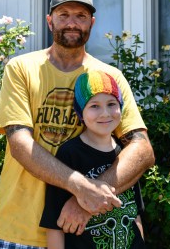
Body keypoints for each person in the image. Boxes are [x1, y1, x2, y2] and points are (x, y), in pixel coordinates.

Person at [0, 0, 154, 248]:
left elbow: (142, 149)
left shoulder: (110, 77)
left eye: (81, 16)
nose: (72, 23)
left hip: (85, 235)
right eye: (63, 14)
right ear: (49, 20)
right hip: (18, 230)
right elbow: (20, 144)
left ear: (92, 22)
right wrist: (81, 188)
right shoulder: (21, 69)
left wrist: (87, 200)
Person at [40, 70, 146, 248]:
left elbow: (135, 213)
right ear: (80, 113)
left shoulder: (127, 153)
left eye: (112, 104)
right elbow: (54, 224)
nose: (105, 113)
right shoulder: (70, 154)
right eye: (94, 106)